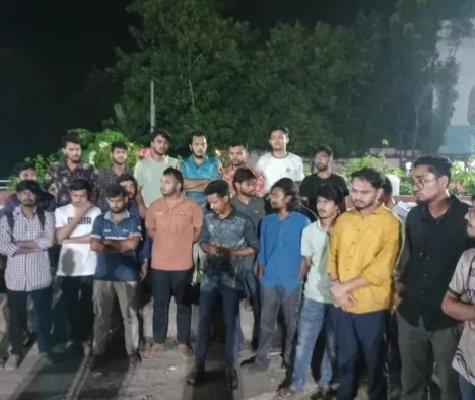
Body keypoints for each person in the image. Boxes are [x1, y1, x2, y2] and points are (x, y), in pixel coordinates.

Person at [395, 156, 470, 400]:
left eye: (421, 180)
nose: (415, 186)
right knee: (412, 385)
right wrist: (399, 290)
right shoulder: (414, 216)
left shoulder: (466, 218)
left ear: (443, 181)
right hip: (411, 315)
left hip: (448, 320)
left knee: (451, 388)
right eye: (413, 181)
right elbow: (409, 259)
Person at [328, 168, 402, 400]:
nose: (357, 196)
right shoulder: (344, 220)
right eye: (354, 191)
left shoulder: (391, 223)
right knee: (345, 361)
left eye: (364, 192)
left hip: (373, 307)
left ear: (378, 193)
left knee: (375, 364)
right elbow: (332, 255)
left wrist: (344, 288)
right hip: (343, 305)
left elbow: (383, 267)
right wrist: (336, 287)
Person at [187, 180, 259, 389]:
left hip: (231, 281)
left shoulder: (243, 221)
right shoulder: (208, 217)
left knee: (230, 324)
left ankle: (230, 367)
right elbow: (202, 240)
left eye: (215, 202)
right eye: (209, 203)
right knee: (203, 322)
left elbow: (254, 247)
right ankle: (198, 365)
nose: (211, 206)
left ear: (226, 198)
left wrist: (231, 253)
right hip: (209, 279)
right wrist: (208, 247)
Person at [278, 184, 342, 400]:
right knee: (304, 342)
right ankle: (296, 383)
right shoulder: (309, 231)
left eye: (327, 202)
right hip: (313, 295)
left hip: (338, 296)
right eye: (319, 202)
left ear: (337, 205)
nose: (321, 206)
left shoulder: (347, 229)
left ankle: (325, 383)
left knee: (332, 345)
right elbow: (307, 263)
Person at [245, 178, 309, 372]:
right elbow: (263, 250)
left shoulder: (302, 222)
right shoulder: (267, 222)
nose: (271, 199)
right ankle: (261, 360)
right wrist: (261, 271)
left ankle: (289, 360)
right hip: (269, 279)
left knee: (292, 323)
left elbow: (306, 253)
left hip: (292, 279)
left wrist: (299, 276)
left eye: (275, 195)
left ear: (288, 198)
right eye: (271, 195)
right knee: (265, 322)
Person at [143, 168, 203, 358]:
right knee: (160, 305)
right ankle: (158, 342)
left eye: (167, 182)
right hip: (159, 265)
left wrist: (183, 242)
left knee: (183, 305)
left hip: (183, 265)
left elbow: (199, 230)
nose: (162, 185)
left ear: (178, 185)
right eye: (161, 182)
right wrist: (164, 241)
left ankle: (183, 342)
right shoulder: (154, 206)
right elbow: (150, 230)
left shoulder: (192, 206)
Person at [0, 180, 56, 370]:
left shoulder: (47, 217)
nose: (27, 196)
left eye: (31, 193)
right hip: (15, 277)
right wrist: (34, 245)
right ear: (18, 196)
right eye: (23, 193)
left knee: (43, 316)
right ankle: (16, 352)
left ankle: (45, 350)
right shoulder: (7, 218)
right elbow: (3, 246)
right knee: (16, 318)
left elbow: (48, 241)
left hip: (40, 274)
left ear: (36, 196)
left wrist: (19, 245)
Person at [88, 184, 144, 370]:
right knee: (101, 316)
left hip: (127, 275)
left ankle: (132, 351)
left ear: (126, 199)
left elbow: (133, 245)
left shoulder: (134, 219)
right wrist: (121, 244)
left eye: (118, 200)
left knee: (131, 315)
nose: (115, 204)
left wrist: (107, 242)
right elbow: (94, 246)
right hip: (103, 275)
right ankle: (97, 352)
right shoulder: (99, 220)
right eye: (111, 200)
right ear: (106, 201)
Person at [55, 179, 102, 355]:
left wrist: (69, 239)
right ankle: (74, 339)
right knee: (70, 305)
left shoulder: (96, 212)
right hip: (68, 267)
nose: (78, 199)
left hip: (90, 265)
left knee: (87, 305)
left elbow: (94, 238)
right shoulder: (61, 211)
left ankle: (86, 338)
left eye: (82, 196)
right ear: (69, 194)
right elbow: (60, 237)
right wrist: (81, 213)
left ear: (88, 195)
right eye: (75, 195)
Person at [441, 194, 475, 399]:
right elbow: (447, 305)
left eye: (473, 211)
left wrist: (466, 310)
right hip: (467, 365)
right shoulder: (468, 258)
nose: (467, 216)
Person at [231, 168, 267, 348]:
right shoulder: (229, 205)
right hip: (235, 262)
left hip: (255, 262)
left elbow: (266, 232)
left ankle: (260, 340)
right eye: (248, 184)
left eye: (254, 184)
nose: (253, 187)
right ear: (237, 185)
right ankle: (236, 341)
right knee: (232, 303)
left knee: (259, 301)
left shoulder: (260, 203)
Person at [44, 133, 97, 207]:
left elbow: (99, 188)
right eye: (71, 149)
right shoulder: (56, 167)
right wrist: (55, 195)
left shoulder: (89, 168)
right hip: (62, 209)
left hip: (84, 210)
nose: (75, 152)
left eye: (78, 149)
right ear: (64, 150)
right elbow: (45, 186)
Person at [134, 130, 179, 207]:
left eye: (165, 143)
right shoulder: (141, 164)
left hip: (170, 210)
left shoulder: (174, 163)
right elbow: (137, 190)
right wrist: (142, 208)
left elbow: (179, 188)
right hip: (148, 210)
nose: (162, 145)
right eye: (159, 142)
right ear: (152, 143)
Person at [299, 146, 348, 212]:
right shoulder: (308, 180)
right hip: (313, 217)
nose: (320, 160)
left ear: (330, 158)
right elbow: (303, 204)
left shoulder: (339, 180)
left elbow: (343, 206)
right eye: (317, 157)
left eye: (323, 156)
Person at [256, 126, 304, 192]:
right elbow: (258, 182)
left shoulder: (296, 160)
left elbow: (299, 182)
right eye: (273, 138)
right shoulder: (263, 160)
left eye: (280, 137)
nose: (277, 141)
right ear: (270, 141)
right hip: (268, 197)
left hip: (289, 197)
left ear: (287, 139)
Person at [180, 131, 222, 206]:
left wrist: (189, 187)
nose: (200, 147)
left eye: (203, 144)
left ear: (206, 145)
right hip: (187, 207)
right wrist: (206, 181)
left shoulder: (214, 163)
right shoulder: (183, 163)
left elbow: (215, 187)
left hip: (209, 207)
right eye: (196, 144)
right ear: (190, 146)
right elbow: (181, 185)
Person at [96, 141, 133, 208]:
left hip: (125, 208)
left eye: (123, 152)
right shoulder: (104, 173)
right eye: (118, 152)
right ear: (112, 154)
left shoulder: (131, 173)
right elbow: (98, 193)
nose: (121, 155)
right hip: (105, 209)